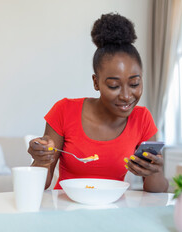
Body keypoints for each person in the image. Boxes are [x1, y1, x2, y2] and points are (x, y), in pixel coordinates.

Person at [28, 13, 168, 193]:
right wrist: (40, 159)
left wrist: (154, 171)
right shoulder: (64, 111)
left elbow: (157, 193)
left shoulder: (142, 118)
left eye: (134, 84)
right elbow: (40, 185)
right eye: (114, 85)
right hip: (65, 209)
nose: (126, 96)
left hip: (114, 209)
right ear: (96, 82)